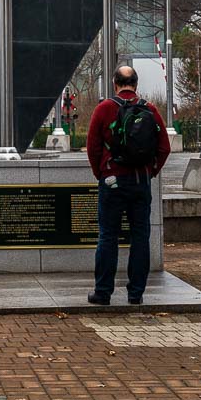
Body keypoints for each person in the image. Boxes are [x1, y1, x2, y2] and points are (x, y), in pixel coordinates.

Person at [85, 64, 171, 305]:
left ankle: (103, 292)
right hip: (140, 181)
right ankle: (136, 294)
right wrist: (150, 171)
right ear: (136, 84)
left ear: (115, 84)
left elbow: (92, 147)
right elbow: (164, 147)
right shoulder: (150, 109)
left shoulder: (104, 109)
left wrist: (101, 173)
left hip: (112, 180)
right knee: (140, 236)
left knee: (108, 236)